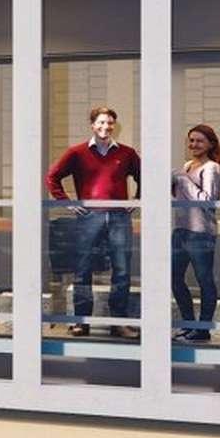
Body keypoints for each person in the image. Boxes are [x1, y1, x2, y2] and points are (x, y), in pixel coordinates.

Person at [46, 106, 142, 338]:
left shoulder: (127, 153)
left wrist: (138, 200)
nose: (105, 127)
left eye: (109, 123)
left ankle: (118, 322)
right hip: (89, 218)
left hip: (119, 217)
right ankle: (81, 321)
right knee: (83, 269)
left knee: (122, 270)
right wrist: (67, 203)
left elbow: (146, 177)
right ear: (92, 125)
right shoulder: (77, 152)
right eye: (101, 123)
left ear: (114, 126)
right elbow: (52, 177)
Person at [172, 124, 220, 342]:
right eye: (191, 140)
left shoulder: (211, 167)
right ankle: (188, 323)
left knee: (204, 280)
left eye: (199, 141)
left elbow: (207, 202)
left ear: (210, 144)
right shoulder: (188, 165)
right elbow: (181, 199)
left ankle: (202, 329)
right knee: (173, 278)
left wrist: (182, 179)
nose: (194, 144)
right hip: (181, 231)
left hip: (200, 233)